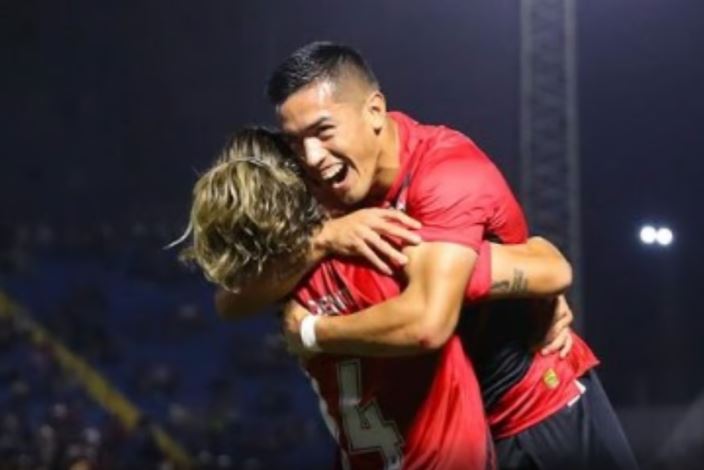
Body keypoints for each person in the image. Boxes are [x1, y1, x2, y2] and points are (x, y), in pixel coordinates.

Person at [216, 42, 637, 469]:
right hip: (433, 429)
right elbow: (231, 299)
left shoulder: (446, 173)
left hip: (532, 411)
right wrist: (321, 240)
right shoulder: (324, 193)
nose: (311, 157)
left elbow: (434, 320)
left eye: (323, 131)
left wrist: (312, 331)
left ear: (374, 111)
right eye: (295, 141)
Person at [181, 127, 577, 468]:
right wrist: (538, 296)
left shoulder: (282, 293)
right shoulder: (391, 255)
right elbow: (553, 269)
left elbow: (228, 301)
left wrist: (311, 325)